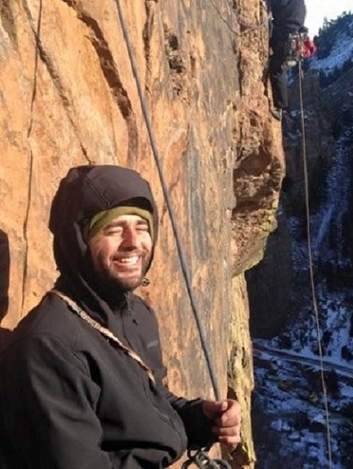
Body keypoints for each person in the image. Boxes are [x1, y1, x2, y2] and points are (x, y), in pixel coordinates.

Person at [0, 164, 241, 468]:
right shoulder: (49, 348)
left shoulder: (135, 313)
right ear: (80, 242)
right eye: (113, 229)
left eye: (142, 227)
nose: (133, 242)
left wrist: (198, 419)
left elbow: (148, 397)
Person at [261, 0, 306, 119]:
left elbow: (281, 0)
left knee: (276, 69)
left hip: (288, 34)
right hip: (289, 33)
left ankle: (280, 107)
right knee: (274, 63)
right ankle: (281, 106)